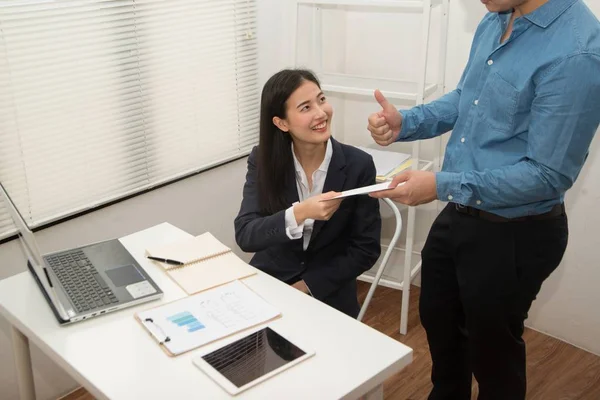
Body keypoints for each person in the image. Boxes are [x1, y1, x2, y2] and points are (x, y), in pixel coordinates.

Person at [367, 0, 600, 399]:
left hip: (516, 233)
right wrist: (408, 122)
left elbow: (548, 176)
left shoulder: (577, 52)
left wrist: (440, 185)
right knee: (439, 321)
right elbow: (468, 98)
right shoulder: (497, 18)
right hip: (461, 209)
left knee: (493, 356)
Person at [234, 68, 381, 318]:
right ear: (281, 123)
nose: (321, 113)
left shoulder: (359, 164)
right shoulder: (262, 160)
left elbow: (365, 248)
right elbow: (247, 235)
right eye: (306, 107)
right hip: (270, 283)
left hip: (328, 291)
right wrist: (299, 213)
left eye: (321, 100)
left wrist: (308, 287)